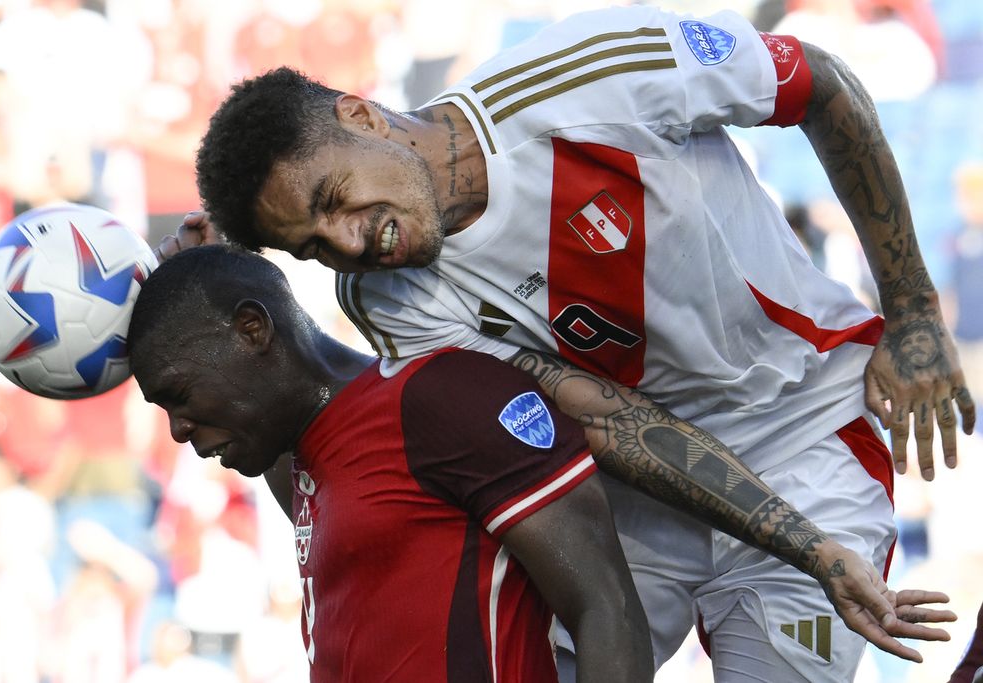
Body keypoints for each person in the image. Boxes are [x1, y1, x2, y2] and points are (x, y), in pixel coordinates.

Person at [181, 5, 973, 680]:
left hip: (803, 433)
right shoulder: (381, 297)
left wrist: (911, 311)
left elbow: (821, 84)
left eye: (334, 199)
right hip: (631, 499)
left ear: (360, 115)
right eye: (315, 246)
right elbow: (606, 421)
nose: (351, 243)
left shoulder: (597, 73)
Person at [126, 244, 655, 682]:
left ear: (251, 329)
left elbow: (608, 609)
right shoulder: (307, 462)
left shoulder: (443, 398)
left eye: (180, 393)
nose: (177, 429)